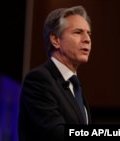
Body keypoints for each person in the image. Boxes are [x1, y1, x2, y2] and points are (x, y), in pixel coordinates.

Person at [18, 5, 92, 141]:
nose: (87, 39)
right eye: (78, 32)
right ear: (56, 40)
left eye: (88, 33)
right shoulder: (39, 80)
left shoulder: (74, 86)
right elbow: (56, 134)